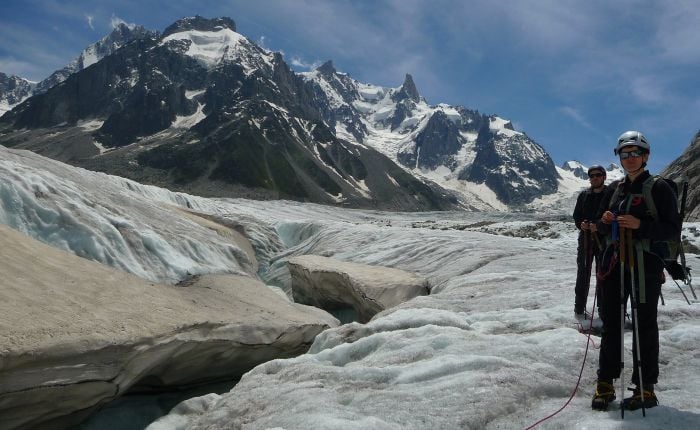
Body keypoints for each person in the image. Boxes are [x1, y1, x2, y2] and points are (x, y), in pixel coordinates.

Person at [591, 131, 681, 411]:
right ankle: (605, 382)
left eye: (635, 153)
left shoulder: (659, 188)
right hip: (617, 263)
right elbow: (606, 228)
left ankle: (645, 387)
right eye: (625, 154)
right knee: (612, 323)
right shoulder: (616, 189)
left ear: (646, 156)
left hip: (646, 266)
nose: (630, 159)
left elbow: (673, 229)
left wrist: (640, 226)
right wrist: (606, 221)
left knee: (644, 324)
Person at [572, 165, 608, 319]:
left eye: (598, 175)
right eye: (592, 175)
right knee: (583, 273)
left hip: (603, 240)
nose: (595, 178)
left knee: (603, 274)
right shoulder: (583, 195)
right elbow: (577, 216)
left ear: (604, 176)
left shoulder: (610, 195)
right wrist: (581, 224)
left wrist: (599, 226)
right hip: (586, 239)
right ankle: (579, 308)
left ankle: (602, 308)